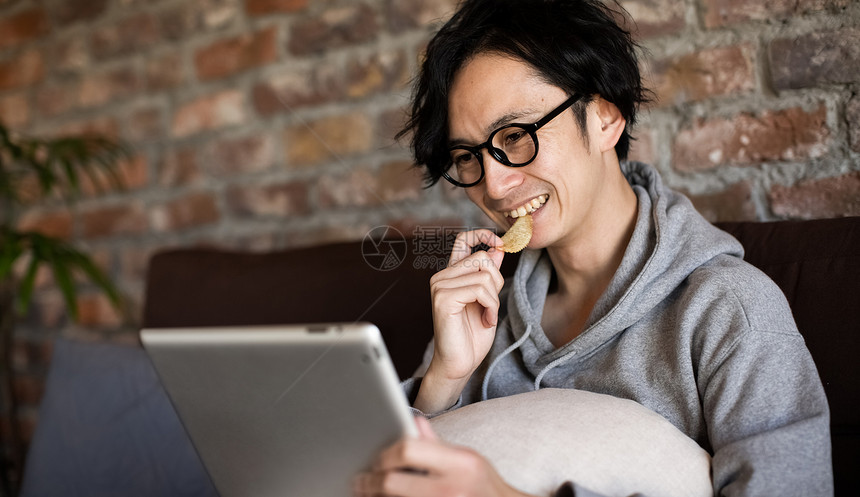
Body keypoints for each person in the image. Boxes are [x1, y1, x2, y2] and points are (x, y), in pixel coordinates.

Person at [353, 0, 833, 495]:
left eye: (515, 136)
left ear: (606, 117)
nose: (493, 185)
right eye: (467, 156)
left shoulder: (729, 309)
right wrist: (444, 379)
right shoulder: (480, 313)